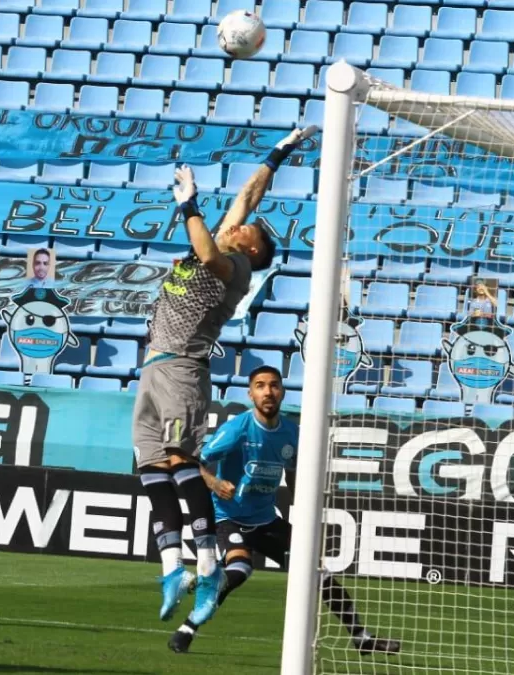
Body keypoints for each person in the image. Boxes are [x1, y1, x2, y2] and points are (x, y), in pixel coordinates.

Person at [133, 125, 315, 629]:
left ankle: (208, 564)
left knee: (179, 458)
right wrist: (277, 154)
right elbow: (247, 196)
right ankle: (173, 568)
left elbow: (210, 250)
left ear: (250, 251)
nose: (235, 226)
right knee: (151, 465)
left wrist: (189, 205)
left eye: (243, 231)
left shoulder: (231, 264)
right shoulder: (228, 245)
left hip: (182, 368)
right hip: (153, 365)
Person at [168, 365, 402, 657]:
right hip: (229, 518)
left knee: (320, 574)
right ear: (251, 393)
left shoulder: (292, 433)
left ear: (282, 391)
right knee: (239, 570)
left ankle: (362, 639)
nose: (268, 391)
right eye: (260, 385)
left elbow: (293, 475)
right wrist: (214, 482)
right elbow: (192, 461)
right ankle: (187, 628)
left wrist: (304, 511)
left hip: (267, 521)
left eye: (274, 385)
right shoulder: (237, 428)